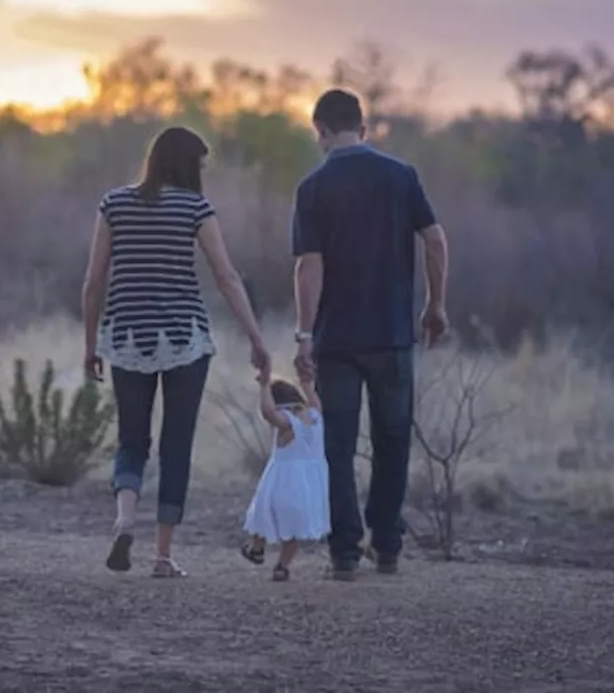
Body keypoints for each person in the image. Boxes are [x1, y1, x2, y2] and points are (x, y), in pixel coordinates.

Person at [81, 126, 271, 579]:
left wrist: (91, 344)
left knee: (131, 438)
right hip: (184, 338)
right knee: (176, 444)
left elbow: (93, 282)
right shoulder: (195, 208)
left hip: (126, 335)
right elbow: (226, 278)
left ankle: (126, 519)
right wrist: (256, 338)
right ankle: (163, 556)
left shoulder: (114, 204)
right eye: (201, 165)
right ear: (188, 165)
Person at [290, 89, 450, 581]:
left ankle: (343, 551)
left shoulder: (313, 186)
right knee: (392, 440)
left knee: (336, 445)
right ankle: (387, 545)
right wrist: (435, 303)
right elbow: (435, 240)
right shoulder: (401, 177)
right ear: (363, 126)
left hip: (337, 338)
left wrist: (303, 334)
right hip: (392, 332)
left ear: (319, 129)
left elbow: (308, 267)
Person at [240, 371, 330, 582]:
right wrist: (307, 383)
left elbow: (268, 412)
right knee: (293, 529)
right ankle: (282, 566)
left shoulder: (287, 423)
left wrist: (263, 387)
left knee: (263, 513)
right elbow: (315, 402)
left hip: (283, 482)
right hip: (310, 486)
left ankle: (257, 547)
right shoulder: (316, 416)